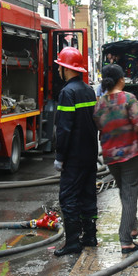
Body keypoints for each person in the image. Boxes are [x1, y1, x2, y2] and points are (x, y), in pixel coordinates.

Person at [93, 64, 138, 253]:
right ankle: (125, 239)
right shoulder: (128, 98)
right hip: (131, 155)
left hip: (110, 156)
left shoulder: (100, 103)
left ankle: (133, 226)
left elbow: (99, 125)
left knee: (125, 191)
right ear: (121, 79)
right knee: (130, 194)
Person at [53, 46, 98, 258]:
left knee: (68, 197)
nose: (58, 71)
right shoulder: (89, 90)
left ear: (66, 69)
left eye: (60, 67)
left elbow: (64, 129)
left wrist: (60, 157)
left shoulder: (67, 93)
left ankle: (72, 242)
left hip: (73, 156)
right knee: (88, 195)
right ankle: (90, 236)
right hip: (89, 153)